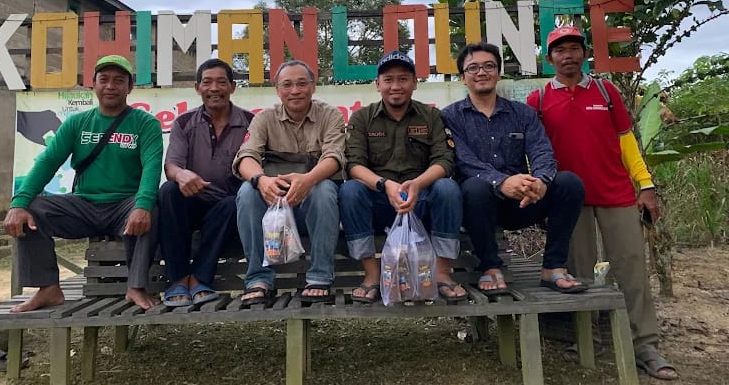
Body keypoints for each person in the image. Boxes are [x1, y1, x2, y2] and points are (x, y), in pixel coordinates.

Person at [526, 26, 677, 380]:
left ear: (584, 54)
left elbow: (627, 141)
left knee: (632, 270)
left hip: (616, 193)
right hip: (570, 201)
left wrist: (645, 184)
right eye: (560, 50)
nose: (568, 55)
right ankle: (586, 338)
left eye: (574, 48)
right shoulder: (539, 101)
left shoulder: (606, 93)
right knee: (577, 272)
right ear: (549, 58)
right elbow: (534, 153)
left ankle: (645, 345)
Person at [3, 55, 164, 311]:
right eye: (104, 80)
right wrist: (18, 203)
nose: (110, 86)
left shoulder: (146, 123)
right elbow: (47, 162)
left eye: (118, 81)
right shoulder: (77, 123)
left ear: (130, 87)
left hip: (124, 206)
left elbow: (152, 168)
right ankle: (48, 288)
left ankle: (136, 287)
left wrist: (142, 205)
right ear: (93, 84)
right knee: (30, 209)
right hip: (84, 206)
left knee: (150, 209)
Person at [442, 42, 587, 296]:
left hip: (521, 201)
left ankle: (553, 267)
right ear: (463, 77)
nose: (481, 72)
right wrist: (501, 182)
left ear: (498, 73)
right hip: (477, 207)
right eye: (473, 68)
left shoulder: (522, 113)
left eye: (489, 66)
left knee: (569, 183)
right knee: (475, 187)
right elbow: (463, 161)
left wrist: (541, 181)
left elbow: (542, 151)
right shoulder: (450, 116)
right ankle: (490, 267)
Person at [340, 51, 466, 303]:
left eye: (403, 79)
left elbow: (444, 160)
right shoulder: (362, 118)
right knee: (350, 190)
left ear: (415, 83)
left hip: (420, 202)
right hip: (380, 202)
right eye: (388, 80)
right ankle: (371, 274)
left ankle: (442, 272)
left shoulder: (431, 116)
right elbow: (353, 164)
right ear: (377, 84)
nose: (395, 86)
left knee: (448, 188)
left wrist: (418, 184)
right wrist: (384, 185)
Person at [233, 60, 344, 305]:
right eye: (287, 84)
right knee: (247, 191)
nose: (295, 90)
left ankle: (319, 277)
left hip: (313, 205)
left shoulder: (330, 115)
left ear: (313, 86)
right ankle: (258, 279)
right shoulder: (264, 118)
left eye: (302, 83)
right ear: (277, 90)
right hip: (274, 206)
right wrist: (261, 181)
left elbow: (335, 157)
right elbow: (245, 157)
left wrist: (308, 180)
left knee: (325, 189)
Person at [158, 58, 253, 307]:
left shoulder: (251, 122)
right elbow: (171, 165)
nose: (214, 88)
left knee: (236, 201)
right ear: (197, 87)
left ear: (232, 87)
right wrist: (181, 175)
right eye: (207, 82)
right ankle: (178, 279)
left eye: (221, 82)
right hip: (191, 202)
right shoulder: (183, 122)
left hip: (227, 209)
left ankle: (199, 278)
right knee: (168, 191)